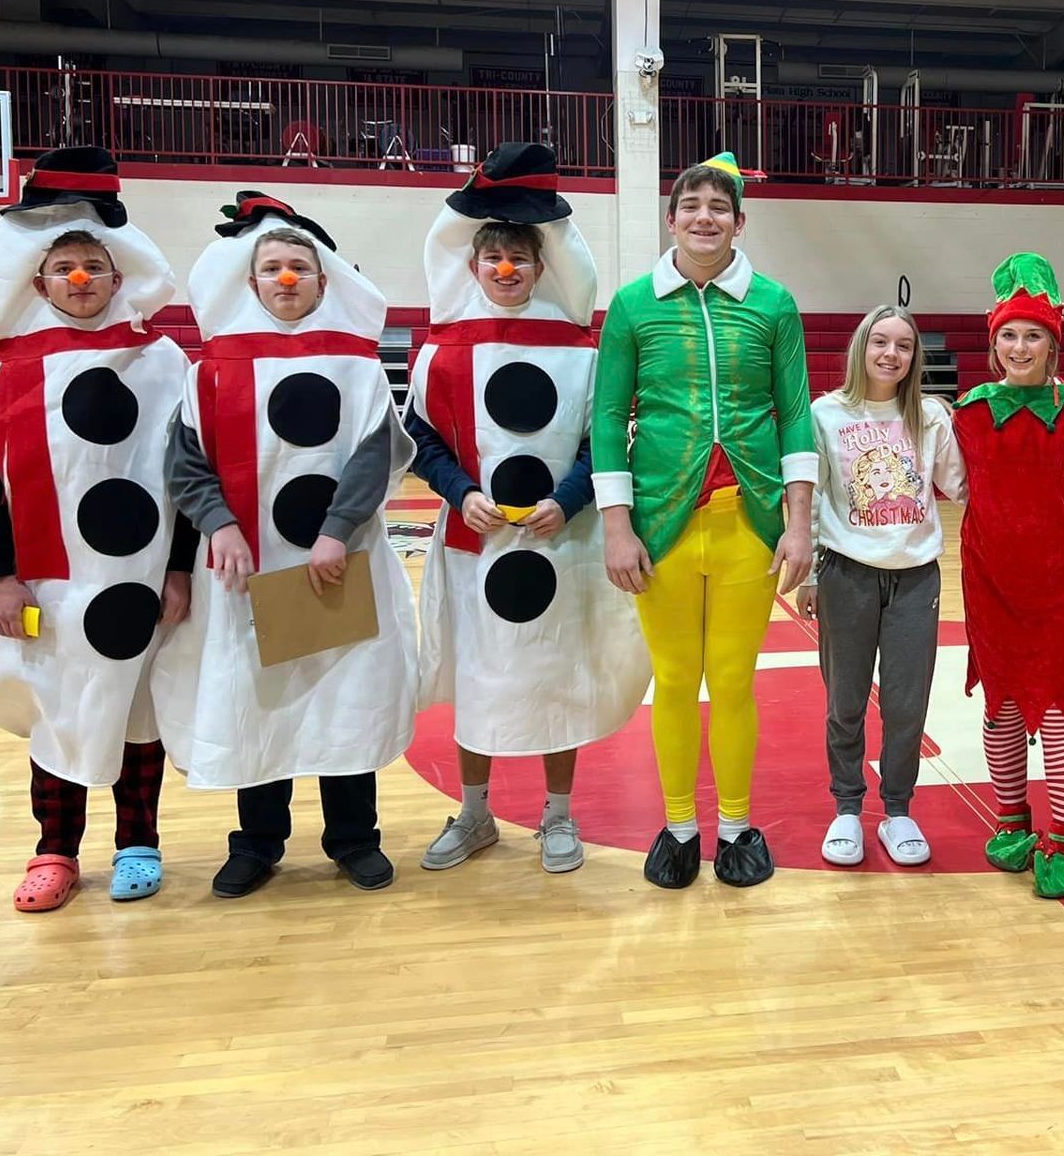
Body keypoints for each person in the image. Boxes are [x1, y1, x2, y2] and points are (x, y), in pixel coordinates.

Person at [0, 147, 194, 912]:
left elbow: (187, 473)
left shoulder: (163, 362)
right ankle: (55, 849)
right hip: (48, 580)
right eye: (64, 268)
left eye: (95, 265)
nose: (80, 280)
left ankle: (138, 841)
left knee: (135, 709)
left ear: (120, 277)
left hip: (139, 576)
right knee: (59, 709)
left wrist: (179, 567)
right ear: (37, 279)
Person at [157, 193, 421, 898]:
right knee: (259, 698)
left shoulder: (358, 367)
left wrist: (336, 532)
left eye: (298, 267)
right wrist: (219, 523)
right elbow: (185, 463)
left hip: (337, 566)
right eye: (270, 267)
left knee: (344, 698)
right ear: (250, 282)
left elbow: (372, 455)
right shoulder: (208, 369)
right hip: (248, 570)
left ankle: (354, 839)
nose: (284, 278)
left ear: (323, 280)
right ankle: (258, 843)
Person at [405, 143, 648, 875]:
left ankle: (557, 815)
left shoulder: (581, 348)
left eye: (520, 259)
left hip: (559, 543)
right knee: (480, 677)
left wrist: (566, 500)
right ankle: (476, 813)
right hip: (472, 544)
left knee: (555, 677)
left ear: (541, 267)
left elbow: (604, 440)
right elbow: (418, 436)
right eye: (493, 260)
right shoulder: (441, 350)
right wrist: (461, 493)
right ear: (473, 266)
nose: (506, 271)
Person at [591, 153, 817, 889]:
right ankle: (681, 825)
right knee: (675, 677)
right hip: (661, 527)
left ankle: (738, 826)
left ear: (740, 221)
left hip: (748, 524)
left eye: (719, 207)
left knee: (734, 679)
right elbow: (606, 417)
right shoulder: (632, 306)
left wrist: (799, 521)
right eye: (691, 206)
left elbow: (795, 419)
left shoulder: (774, 305)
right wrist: (617, 527)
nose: (704, 217)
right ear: (672, 218)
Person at [954, 253, 1064, 899]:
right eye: (1009, 336)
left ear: (1053, 342)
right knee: (998, 713)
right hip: (989, 584)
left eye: (1033, 335)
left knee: (1056, 714)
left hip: (1063, 589)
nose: (1020, 347)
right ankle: (1012, 820)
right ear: (994, 342)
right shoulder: (967, 411)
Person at [799, 305, 967, 868]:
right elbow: (817, 496)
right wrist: (815, 575)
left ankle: (898, 809)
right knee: (844, 700)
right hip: (847, 572)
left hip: (916, 577)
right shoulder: (826, 413)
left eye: (903, 345)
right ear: (861, 348)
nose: (890, 354)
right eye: (880, 343)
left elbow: (965, 485)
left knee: (906, 703)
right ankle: (847, 806)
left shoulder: (929, 416)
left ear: (915, 357)